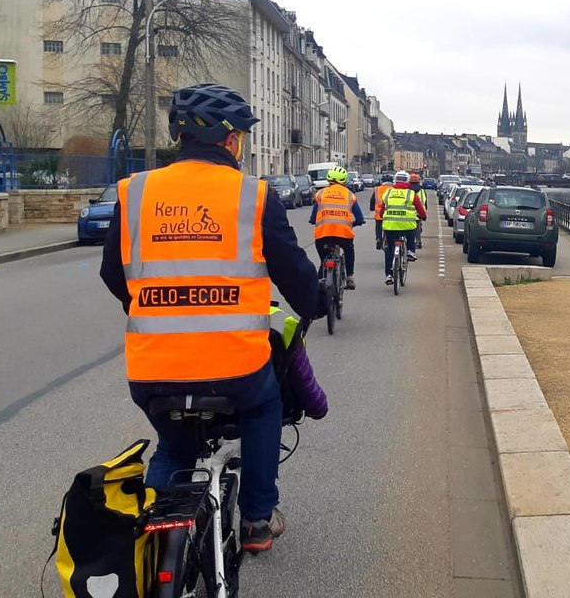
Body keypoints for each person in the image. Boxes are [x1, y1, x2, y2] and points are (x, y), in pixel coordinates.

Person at [99, 83, 325, 553]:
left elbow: (112, 274)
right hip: (236, 369)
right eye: (241, 135)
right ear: (228, 140)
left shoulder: (135, 192)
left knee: (176, 446)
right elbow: (295, 275)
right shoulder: (254, 196)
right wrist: (316, 305)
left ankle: (154, 542)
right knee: (264, 410)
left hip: (152, 370)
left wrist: (151, 305)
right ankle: (257, 522)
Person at [309, 165, 365, 289]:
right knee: (349, 250)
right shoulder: (349, 195)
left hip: (323, 235)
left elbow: (313, 217)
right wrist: (356, 223)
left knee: (324, 262)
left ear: (329, 179)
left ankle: (319, 285)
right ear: (344, 180)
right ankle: (350, 277)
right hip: (343, 234)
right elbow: (359, 217)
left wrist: (313, 221)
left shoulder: (320, 194)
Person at [382, 176, 427, 285]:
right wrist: (423, 216)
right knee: (412, 231)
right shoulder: (410, 194)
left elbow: (382, 210)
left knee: (390, 249)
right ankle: (411, 251)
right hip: (406, 225)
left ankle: (389, 275)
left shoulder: (388, 193)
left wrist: (381, 216)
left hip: (390, 226)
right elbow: (420, 208)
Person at [368, 175, 394, 250]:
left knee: (378, 226)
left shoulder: (377, 189)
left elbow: (372, 200)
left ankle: (379, 238)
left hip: (379, 214)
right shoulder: (394, 189)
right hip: (390, 214)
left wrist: (372, 208)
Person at [408, 172, 428, 249]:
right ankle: (418, 241)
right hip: (418, 213)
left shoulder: (407, 190)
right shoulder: (421, 190)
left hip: (408, 213)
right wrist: (424, 212)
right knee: (417, 228)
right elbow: (424, 202)